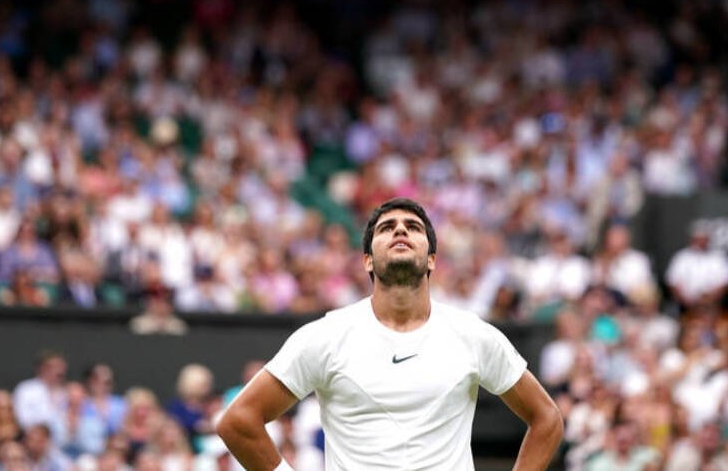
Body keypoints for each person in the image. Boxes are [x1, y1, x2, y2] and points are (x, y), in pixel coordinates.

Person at [216, 197, 563, 470]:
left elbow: (547, 418)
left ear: (431, 259)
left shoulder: (472, 335)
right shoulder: (325, 336)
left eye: (412, 227)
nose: (400, 231)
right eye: (387, 228)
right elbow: (238, 421)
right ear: (368, 260)